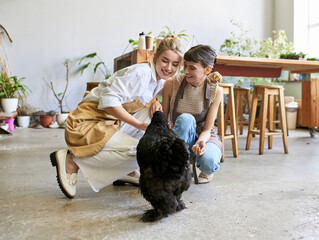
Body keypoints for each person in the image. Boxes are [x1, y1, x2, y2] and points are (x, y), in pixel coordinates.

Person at [50, 35, 185, 198]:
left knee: (154, 120)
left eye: (175, 64)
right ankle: (72, 161)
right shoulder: (140, 73)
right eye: (165, 60)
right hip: (88, 122)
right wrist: (137, 124)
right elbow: (108, 102)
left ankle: (125, 171)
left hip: (111, 121)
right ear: (156, 56)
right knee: (143, 151)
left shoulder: (158, 80)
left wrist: (155, 103)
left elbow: (138, 97)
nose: (169, 67)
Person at [161, 44, 223, 184]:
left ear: (207, 70)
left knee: (209, 162)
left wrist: (201, 141)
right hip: (179, 135)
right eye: (185, 66)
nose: (186, 71)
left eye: (192, 68)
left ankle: (206, 169)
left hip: (204, 134)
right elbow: (163, 122)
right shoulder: (171, 84)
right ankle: (179, 165)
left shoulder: (215, 91)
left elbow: (208, 129)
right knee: (185, 119)